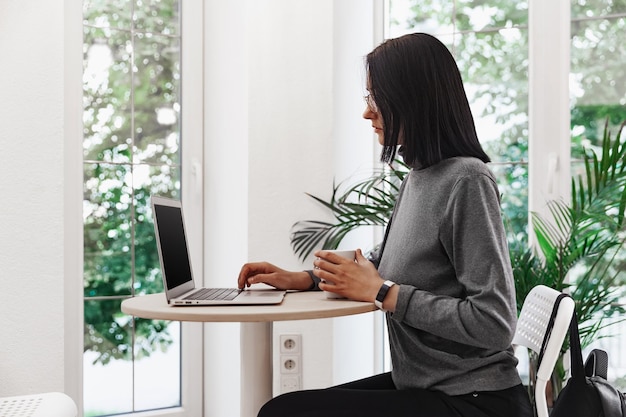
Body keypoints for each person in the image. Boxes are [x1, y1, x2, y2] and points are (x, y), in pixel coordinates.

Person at [237, 32, 533, 417]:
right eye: (368, 99)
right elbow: (382, 262)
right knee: (282, 409)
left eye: (377, 99)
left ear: (414, 101)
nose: (367, 113)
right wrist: (305, 279)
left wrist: (386, 295)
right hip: (424, 385)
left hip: (474, 399)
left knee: (283, 413)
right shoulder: (418, 176)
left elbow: (494, 322)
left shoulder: (467, 180)